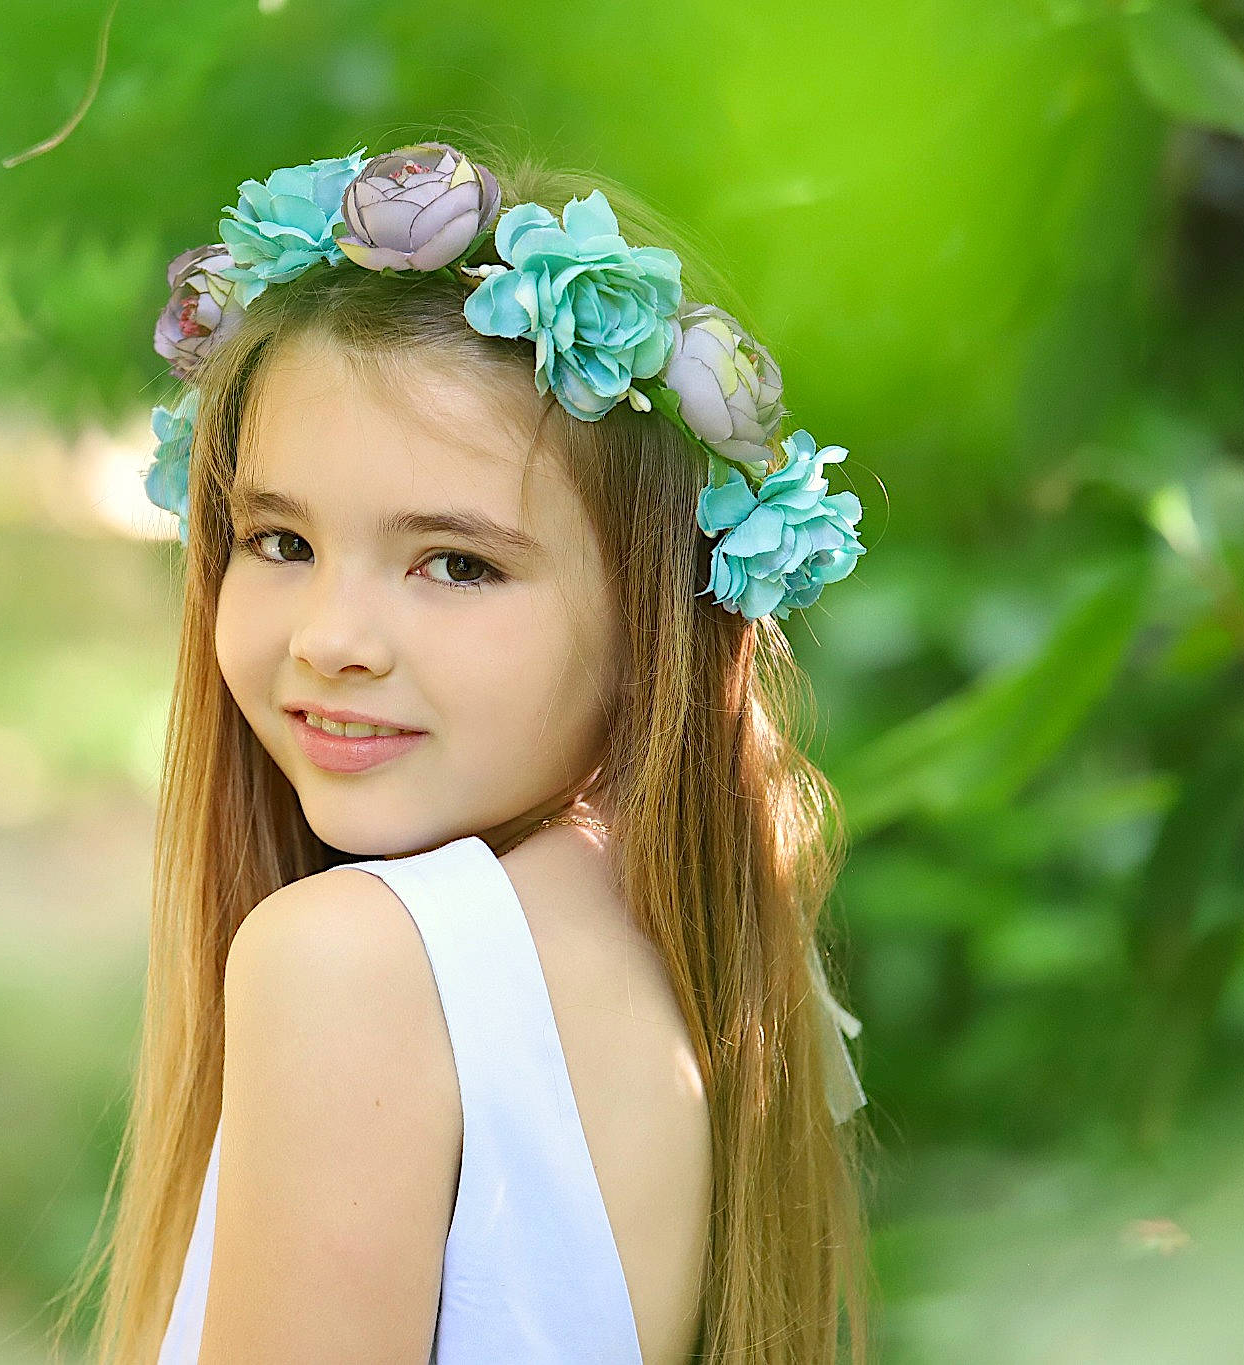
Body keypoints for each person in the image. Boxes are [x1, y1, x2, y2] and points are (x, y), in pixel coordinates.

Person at [51, 137, 873, 1364]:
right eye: (278, 541)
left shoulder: (356, 962)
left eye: (456, 564)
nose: (332, 640)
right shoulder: (682, 924)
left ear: (654, 614)